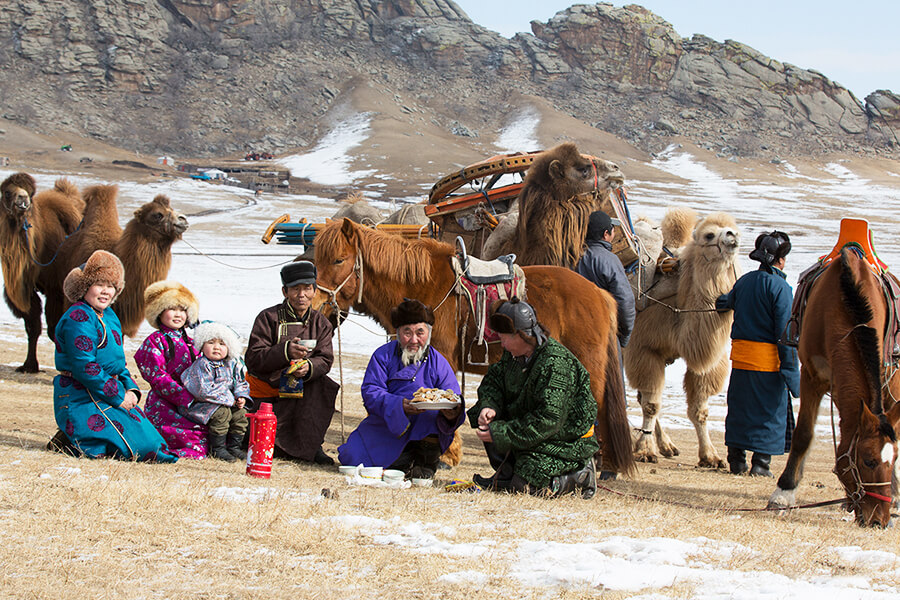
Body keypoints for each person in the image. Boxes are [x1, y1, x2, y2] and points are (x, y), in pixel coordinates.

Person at [48, 250, 177, 462]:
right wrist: (118, 396)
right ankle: (73, 440)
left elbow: (117, 363)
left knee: (156, 445)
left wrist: (131, 390)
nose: (106, 291)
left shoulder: (109, 315)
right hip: (81, 392)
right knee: (139, 450)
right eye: (99, 284)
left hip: (105, 391)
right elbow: (85, 367)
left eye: (111, 286)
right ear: (84, 287)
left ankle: (74, 437)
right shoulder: (78, 317)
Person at [467, 298, 598, 498]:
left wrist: (502, 433)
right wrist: (489, 406)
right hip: (538, 434)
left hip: (566, 439)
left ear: (522, 335)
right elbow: (493, 381)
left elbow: (548, 420)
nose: (500, 342)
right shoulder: (512, 355)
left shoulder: (555, 364)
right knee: (482, 417)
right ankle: (508, 472)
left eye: (504, 337)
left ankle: (581, 475)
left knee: (527, 484)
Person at [338, 299, 464, 479]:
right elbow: (371, 391)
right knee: (350, 456)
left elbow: (453, 396)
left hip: (425, 426)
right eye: (407, 332)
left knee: (431, 418)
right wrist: (398, 404)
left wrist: (452, 412)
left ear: (429, 332)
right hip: (387, 424)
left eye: (420, 332)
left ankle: (424, 462)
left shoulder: (439, 362)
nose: (414, 340)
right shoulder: (383, 355)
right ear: (397, 333)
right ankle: (402, 461)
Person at [716, 231, 799, 477]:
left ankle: (736, 461)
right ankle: (761, 465)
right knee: (768, 413)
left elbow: (725, 302)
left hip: (741, 362)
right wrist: (792, 373)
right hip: (768, 365)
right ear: (780, 261)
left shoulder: (744, 281)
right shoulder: (782, 288)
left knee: (740, 410)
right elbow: (785, 335)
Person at [245, 261, 339, 465]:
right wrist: (284, 351)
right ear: (285, 291)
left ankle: (312, 446)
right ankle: (275, 445)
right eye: (295, 289)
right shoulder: (268, 318)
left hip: (303, 385)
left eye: (307, 288)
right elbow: (253, 358)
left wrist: (308, 368)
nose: (301, 294)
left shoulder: (321, 323)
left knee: (323, 385)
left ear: (315, 290)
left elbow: (325, 359)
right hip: (271, 386)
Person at [134, 280, 207, 458]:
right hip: (164, 403)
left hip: (192, 401)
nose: (178, 314)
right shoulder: (154, 341)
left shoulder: (193, 342)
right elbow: (156, 374)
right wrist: (182, 395)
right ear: (159, 312)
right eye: (172, 309)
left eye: (182, 310)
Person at [181, 322, 252, 462]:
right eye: (211, 342)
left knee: (241, 414)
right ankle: (217, 448)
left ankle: (234, 446)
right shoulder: (202, 365)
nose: (216, 347)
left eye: (222, 344)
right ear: (202, 345)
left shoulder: (232, 364)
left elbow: (240, 382)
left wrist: (240, 396)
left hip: (228, 402)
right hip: (205, 405)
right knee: (222, 414)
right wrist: (228, 400)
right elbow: (203, 389)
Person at [575, 210, 635, 349]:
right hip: (602, 334)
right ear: (606, 234)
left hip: (574, 330)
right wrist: (623, 338)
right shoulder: (609, 260)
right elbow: (625, 302)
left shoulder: (571, 256)